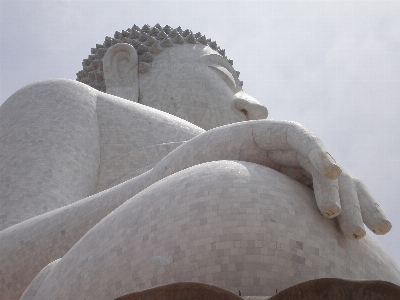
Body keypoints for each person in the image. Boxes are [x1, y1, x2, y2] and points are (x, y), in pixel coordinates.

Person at [1, 24, 399, 300]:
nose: (254, 107)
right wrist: (193, 163)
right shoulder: (72, 103)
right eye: (222, 76)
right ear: (123, 67)